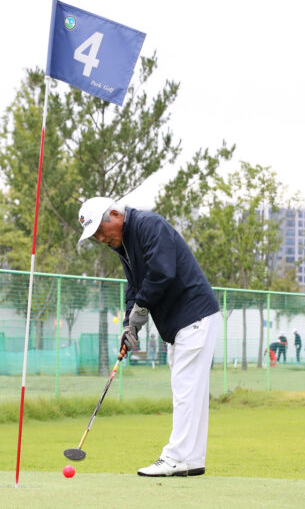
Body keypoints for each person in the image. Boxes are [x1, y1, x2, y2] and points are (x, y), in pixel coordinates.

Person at [78, 197, 220, 477]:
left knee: (186, 390)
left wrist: (141, 308)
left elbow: (161, 272)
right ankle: (191, 459)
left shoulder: (148, 225)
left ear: (116, 214)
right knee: (191, 392)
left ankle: (175, 458)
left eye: (100, 231)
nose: (100, 239)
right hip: (181, 322)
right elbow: (135, 287)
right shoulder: (123, 244)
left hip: (193, 314)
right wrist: (130, 324)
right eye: (94, 236)